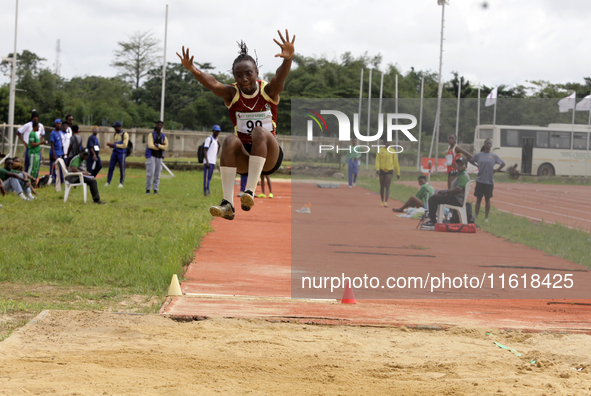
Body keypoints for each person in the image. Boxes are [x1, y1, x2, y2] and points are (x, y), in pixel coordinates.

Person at [177, 29, 295, 220]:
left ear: (257, 72)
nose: (244, 79)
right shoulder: (233, 93)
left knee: (259, 131)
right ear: (234, 77)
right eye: (238, 76)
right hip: (245, 156)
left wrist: (288, 59)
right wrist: (193, 70)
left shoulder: (269, 91)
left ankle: (249, 191)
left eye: (249, 74)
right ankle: (227, 204)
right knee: (230, 140)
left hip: (269, 155)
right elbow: (213, 84)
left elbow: (280, 78)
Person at [421, 157, 471, 231]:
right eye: (458, 164)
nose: (459, 166)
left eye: (462, 164)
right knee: (436, 196)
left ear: (466, 166)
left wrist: (446, 192)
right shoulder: (460, 174)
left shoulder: (463, 176)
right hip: (455, 198)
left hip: (457, 200)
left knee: (433, 199)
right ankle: (433, 220)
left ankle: (433, 221)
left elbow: (458, 189)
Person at [469, 138, 505, 222]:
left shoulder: (493, 156)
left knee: (487, 199)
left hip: (489, 181)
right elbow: (471, 160)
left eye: (490, 143)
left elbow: (502, 163)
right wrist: (477, 166)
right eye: (487, 143)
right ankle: (476, 215)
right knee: (478, 199)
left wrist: (496, 171)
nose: (488, 145)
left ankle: (486, 217)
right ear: (484, 144)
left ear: (491, 146)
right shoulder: (479, 155)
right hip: (480, 180)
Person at [375, 136, 400, 207]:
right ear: (382, 142)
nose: (386, 143)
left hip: (389, 170)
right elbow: (377, 161)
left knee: (387, 186)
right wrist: (377, 169)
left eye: (387, 141)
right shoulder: (380, 150)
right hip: (382, 170)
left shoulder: (392, 151)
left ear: (390, 142)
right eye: (384, 141)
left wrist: (398, 172)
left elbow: (395, 162)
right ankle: (381, 201)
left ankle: (386, 202)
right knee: (382, 186)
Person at [146, 121, 169, 194]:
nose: (159, 126)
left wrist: (158, 145)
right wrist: (160, 146)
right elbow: (150, 145)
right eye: (158, 124)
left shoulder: (163, 136)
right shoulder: (151, 135)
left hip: (159, 157)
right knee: (150, 173)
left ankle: (155, 189)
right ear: (156, 125)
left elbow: (165, 147)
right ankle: (148, 189)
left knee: (157, 174)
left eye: (161, 125)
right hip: (151, 156)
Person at [105, 121, 128, 188]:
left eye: (115, 127)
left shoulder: (124, 134)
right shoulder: (115, 134)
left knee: (122, 167)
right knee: (111, 167)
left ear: (119, 127)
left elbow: (125, 145)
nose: (114, 129)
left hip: (121, 153)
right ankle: (108, 181)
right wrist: (110, 145)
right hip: (115, 152)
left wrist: (114, 145)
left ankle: (121, 182)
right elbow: (114, 144)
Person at [203, 125, 220, 196]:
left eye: (218, 131)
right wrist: (207, 161)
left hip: (212, 162)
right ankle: (206, 191)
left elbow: (216, 152)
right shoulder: (209, 139)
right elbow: (205, 150)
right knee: (206, 177)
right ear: (213, 131)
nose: (217, 133)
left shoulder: (216, 141)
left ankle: (208, 189)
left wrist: (219, 146)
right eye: (216, 131)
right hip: (208, 162)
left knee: (209, 177)